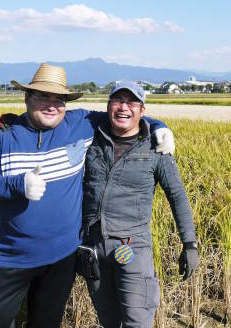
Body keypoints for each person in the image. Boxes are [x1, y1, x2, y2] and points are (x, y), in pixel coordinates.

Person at [0, 63, 175, 328]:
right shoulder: (3, 136)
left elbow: (125, 117)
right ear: (27, 98)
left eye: (59, 99)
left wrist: (159, 126)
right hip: (12, 257)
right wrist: (18, 185)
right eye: (43, 96)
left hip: (62, 257)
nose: (51, 105)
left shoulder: (79, 124)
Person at [81, 81, 199, 328]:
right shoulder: (92, 139)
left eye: (132, 102)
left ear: (142, 110)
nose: (124, 107)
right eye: (117, 101)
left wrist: (189, 243)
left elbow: (177, 195)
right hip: (93, 247)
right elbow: (53, 116)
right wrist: (15, 123)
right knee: (108, 321)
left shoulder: (156, 148)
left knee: (137, 321)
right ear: (108, 106)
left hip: (133, 246)